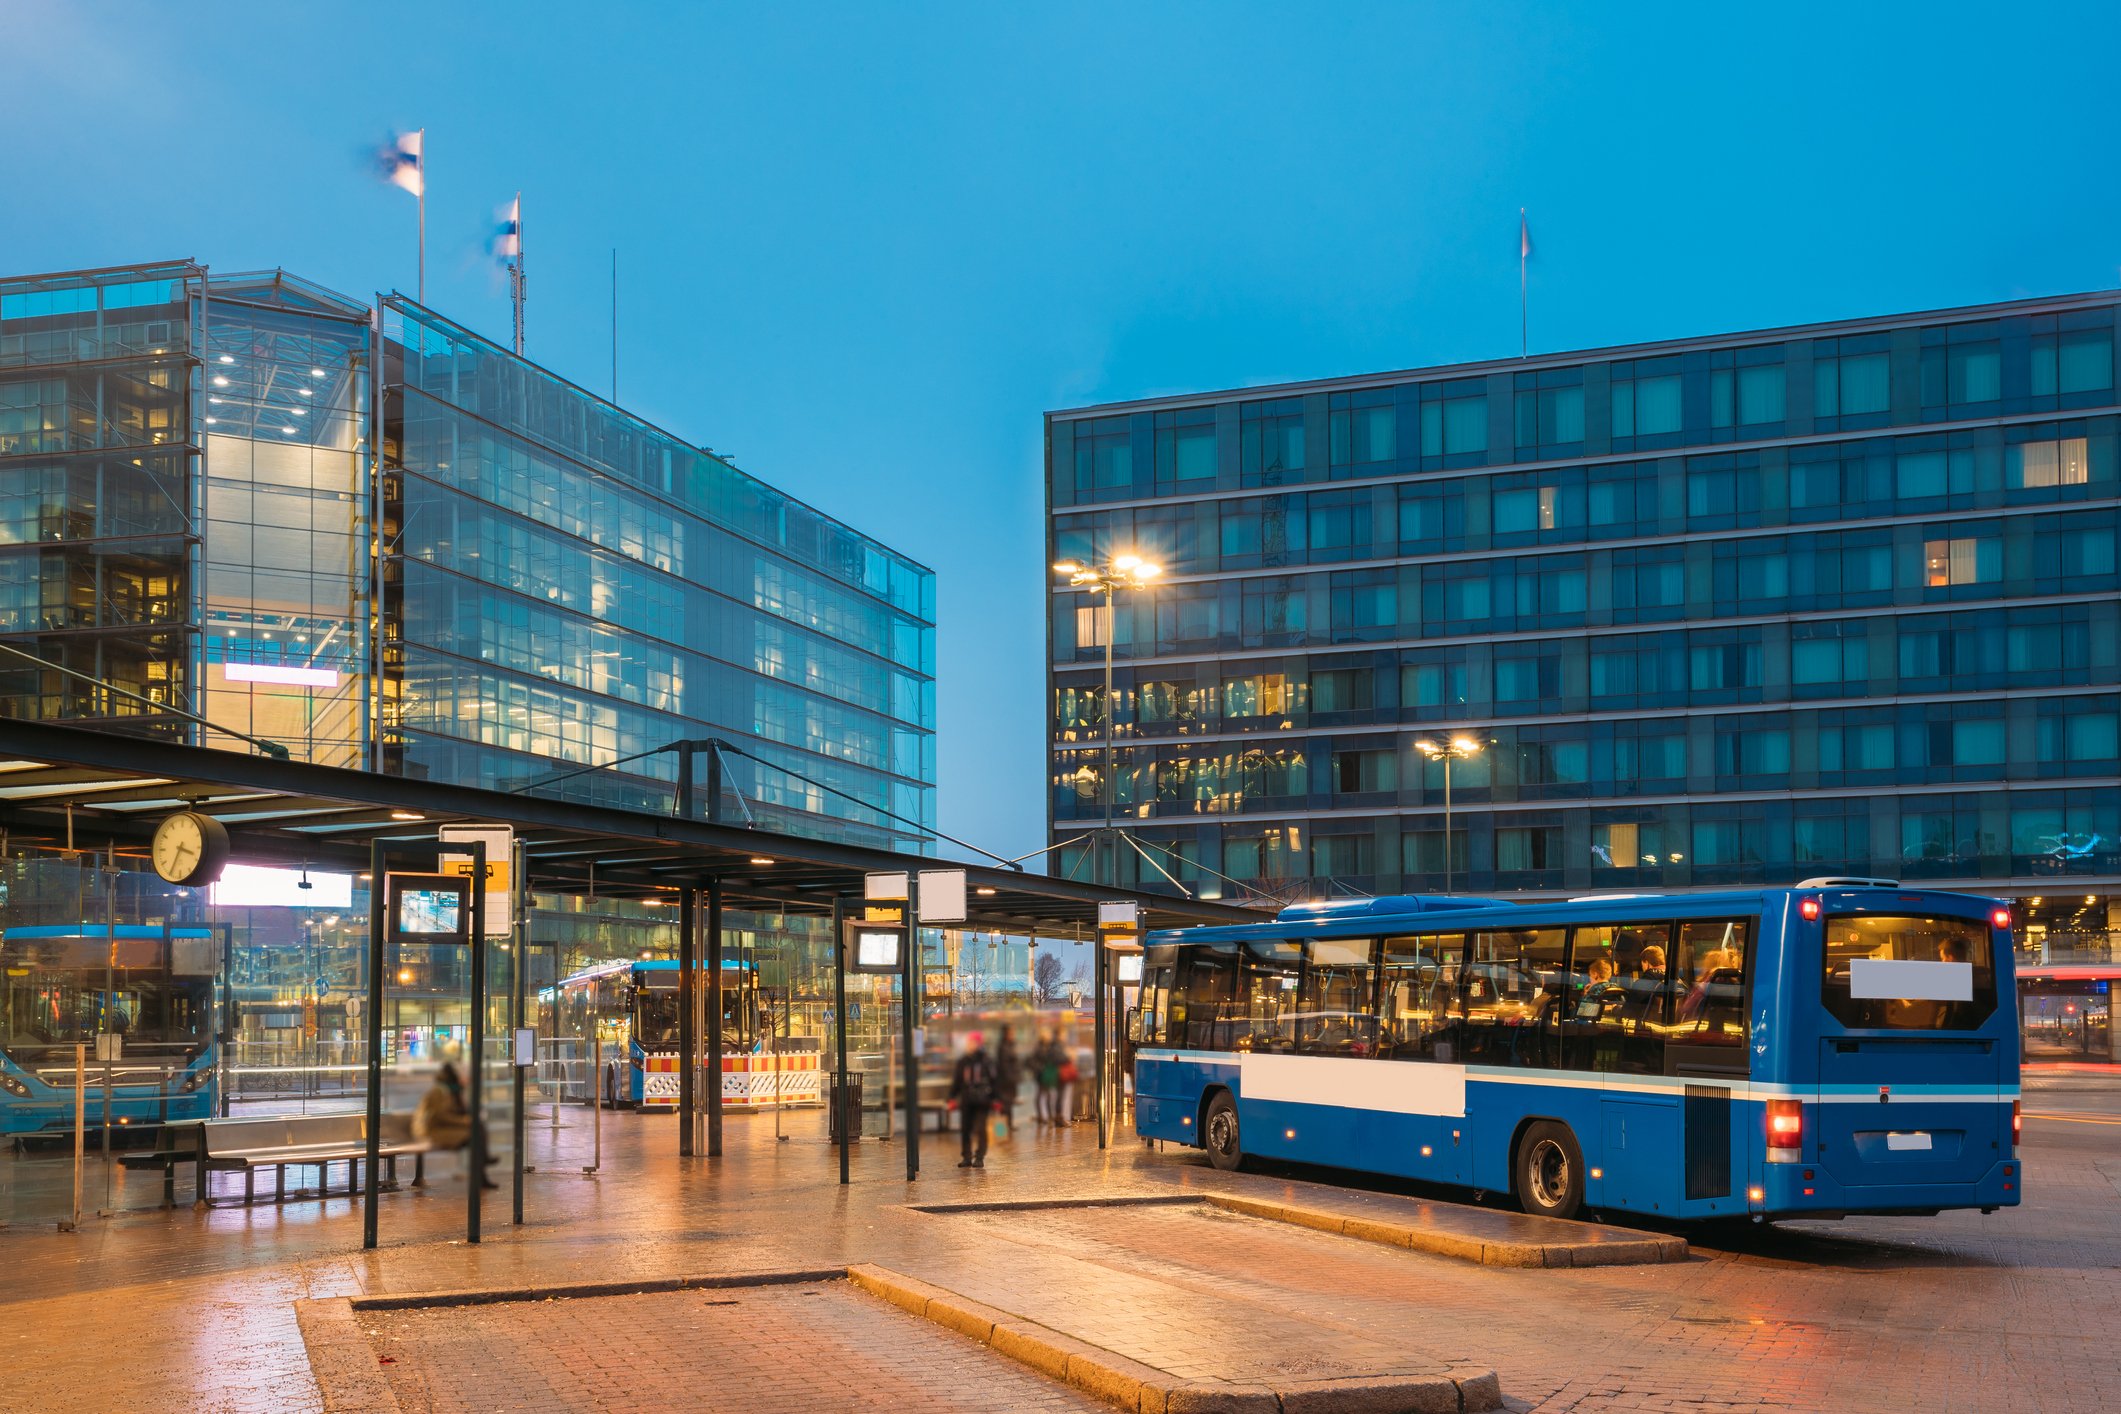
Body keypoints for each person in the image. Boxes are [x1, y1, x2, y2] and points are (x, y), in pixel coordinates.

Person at [413, 1061, 497, 1190]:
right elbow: (440, 1116)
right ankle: (483, 1169)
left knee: (478, 1128)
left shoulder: (451, 1090)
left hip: (441, 1128)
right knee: (476, 1136)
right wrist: (464, 1121)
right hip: (432, 1131)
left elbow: (457, 1111)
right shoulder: (439, 1091)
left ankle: (483, 1170)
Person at [948, 1031, 997, 1168]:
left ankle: (980, 1156)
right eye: (968, 1042)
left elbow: (994, 1080)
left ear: (979, 1044)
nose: (969, 1045)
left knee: (981, 1129)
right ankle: (967, 1156)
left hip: (983, 1100)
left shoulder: (986, 1060)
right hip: (967, 1100)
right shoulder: (963, 1061)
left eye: (972, 1042)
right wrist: (951, 1097)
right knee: (965, 1129)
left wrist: (995, 1098)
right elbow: (957, 1081)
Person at [993, 1027, 1022, 1136]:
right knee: (1003, 1106)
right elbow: (1004, 1065)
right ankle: (1001, 1130)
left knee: (1009, 1104)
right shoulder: (1003, 1047)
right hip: (1005, 1081)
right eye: (1011, 1033)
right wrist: (1010, 1077)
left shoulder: (1011, 1045)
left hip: (1011, 1080)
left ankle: (1008, 1125)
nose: (1013, 1035)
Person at [1032, 1030, 1063, 1126]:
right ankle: (1042, 1115)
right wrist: (1040, 1069)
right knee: (1042, 1094)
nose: (1049, 1037)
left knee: (1047, 1095)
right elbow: (1033, 1061)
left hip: (1046, 1074)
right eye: (1047, 1036)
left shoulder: (1048, 1047)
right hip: (1041, 1075)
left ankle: (1048, 1116)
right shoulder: (1039, 1048)